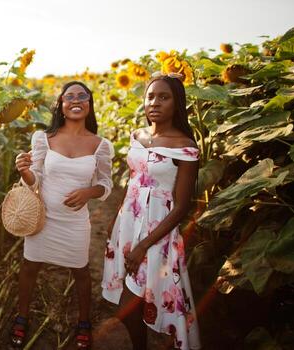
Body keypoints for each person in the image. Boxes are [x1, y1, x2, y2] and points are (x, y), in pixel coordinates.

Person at [101, 73, 202, 350]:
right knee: (127, 297)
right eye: (150, 96)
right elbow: (134, 181)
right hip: (128, 223)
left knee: (152, 297)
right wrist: (116, 221)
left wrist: (144, 244)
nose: (155, 102)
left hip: (157, 231)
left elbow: (182, 207)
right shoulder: (137, 136)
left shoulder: (185, 146)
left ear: (176, 103)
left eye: (164, 97)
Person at [11, 81, 114, 349]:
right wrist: (24, 172)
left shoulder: (101, 145)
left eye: (83, 95)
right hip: (42, 218)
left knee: (80, 272)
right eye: (70, 96)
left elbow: (106, 184)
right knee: (30, 266)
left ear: (89, 104)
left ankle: (83, 322)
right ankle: (22, 317)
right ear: (61, 104)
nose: (76, 99)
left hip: (74, 223)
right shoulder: (43, 139)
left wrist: (89, 192)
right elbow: (36, 180)